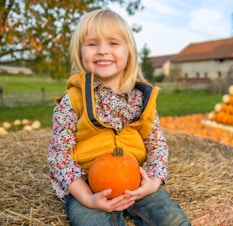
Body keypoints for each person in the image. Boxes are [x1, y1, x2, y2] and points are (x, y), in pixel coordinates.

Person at [48, 8, 191, 226]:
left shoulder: (142, 100)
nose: (102, 51)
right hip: (88, 184)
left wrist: (153, 181)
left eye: (113, 43)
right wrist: (87, 197)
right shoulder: (73, 100)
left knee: (173, 221)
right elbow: (59, 155)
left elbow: (157, 144)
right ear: (80, 51)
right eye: (92, 44)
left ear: (129, 52)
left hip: (134, 181)